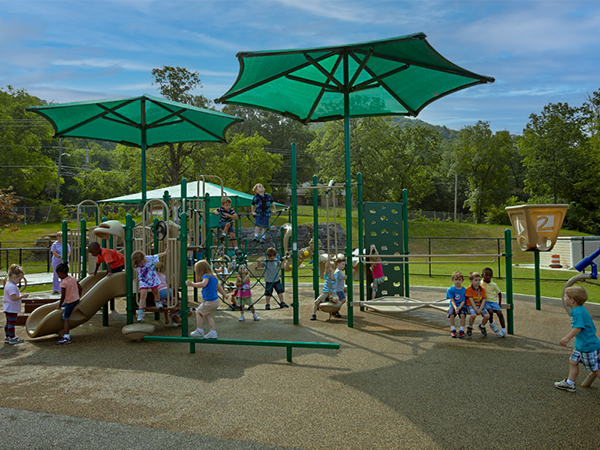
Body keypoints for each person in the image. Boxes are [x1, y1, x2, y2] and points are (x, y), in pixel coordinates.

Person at [555, 285, 600, 393]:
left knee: (595, 369)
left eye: (565, 296)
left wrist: (567, 338)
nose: (563, 298)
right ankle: (570, 383)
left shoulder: (578, 312)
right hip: (582, 345)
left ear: (572, 300)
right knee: (573, 361)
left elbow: (578, 327)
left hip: (588, 346)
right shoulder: (578, 309)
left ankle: (570, 383)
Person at [186, 260, 228, 339]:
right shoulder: (214, 276)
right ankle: (213, 332)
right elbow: (219, 287)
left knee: (198, 312)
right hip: (215, 301)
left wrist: (191, 284)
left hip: (210, 301)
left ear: (201, 269)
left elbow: (203, 284)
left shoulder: (206, 276)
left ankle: (199, 330)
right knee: (208, 316)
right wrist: (224, 295)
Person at [132, 250, 167, 322]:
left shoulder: (148, 258)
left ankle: (158, 302)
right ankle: (140, 312)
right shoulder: (136, 264)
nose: (142, 263)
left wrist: (164, 253)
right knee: (142, 296)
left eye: (142, 262)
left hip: (153, 279)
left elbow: (157, 255)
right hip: (144, 281)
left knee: (156, 292)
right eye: (140, 263)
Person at [55, 263, 82, 345]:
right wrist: (78, 297)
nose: (58, 275)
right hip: (75, 300)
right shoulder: (73, 279)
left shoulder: (64, 283)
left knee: (65, 318)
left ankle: (67, 337)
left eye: (58, 274)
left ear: (61, 273)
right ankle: (64, 333)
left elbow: (63, 296)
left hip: (69, 302)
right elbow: (80, 288)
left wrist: (59, 305)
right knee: (64, 307)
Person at [3, 264, 28, 345]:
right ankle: (12, 337)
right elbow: (13, 298)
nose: (19, 281)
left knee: (8, 322)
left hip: (8, 307)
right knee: (12, 323)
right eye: (19, 279)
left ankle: (8, 336)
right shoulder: (12, 287)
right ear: (14, 276)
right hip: (12, 307)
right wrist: (22, 296)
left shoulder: (8, 284)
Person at [481, 267, 506, 338]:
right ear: (482, 275)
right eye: (486, 275)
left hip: (494, 302)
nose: (488, 277)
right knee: (490, 311)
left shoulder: (493, 284)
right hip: (485, 302)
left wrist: (499, 303)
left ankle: (504, 329)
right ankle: (491, 323)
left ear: (492, 276)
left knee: (500, 313)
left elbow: (499, 293)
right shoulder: (481, 283)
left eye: (489, 275)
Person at [465, 271, 491, 336]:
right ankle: (470, 327)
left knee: (487, 316)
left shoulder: (482, 289)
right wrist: (476, 310)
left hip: (480, 305)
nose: (478, 282)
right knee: (473, 315)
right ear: (471, 281)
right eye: (476, 280)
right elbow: (471, 300)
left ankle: (482, 326)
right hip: (471, 305)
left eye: (479, 280)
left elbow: (483, 299)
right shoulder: (469, 289)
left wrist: (480, 308)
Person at [447, 271, 467, 339]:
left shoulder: (464, 290)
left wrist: (459, 308)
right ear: (453, 280)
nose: (457, 281)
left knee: (462, 315)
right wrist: (455, 308)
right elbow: (452, 300)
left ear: (462, 280)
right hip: (453, 305)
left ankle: (461, 330)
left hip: (462, 305)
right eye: (456, 280)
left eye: (459, 280)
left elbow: (463, 301)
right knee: (451, 314)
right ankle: (453, 329)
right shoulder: (450, 289)